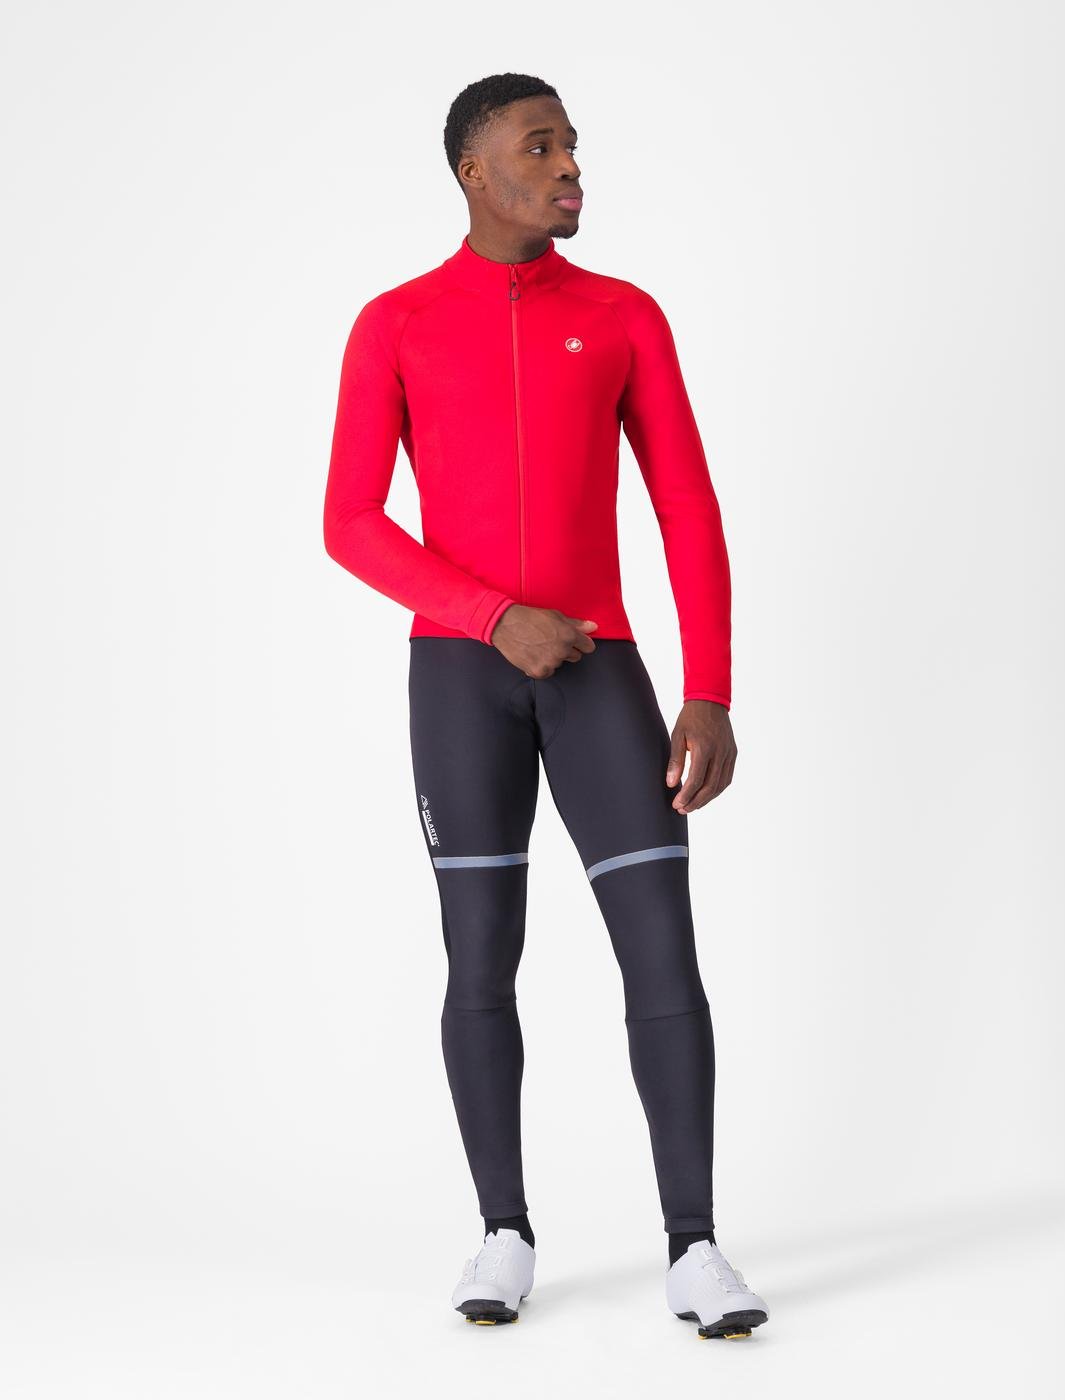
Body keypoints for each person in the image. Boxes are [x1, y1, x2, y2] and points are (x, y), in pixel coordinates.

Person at [322, 72, 769, 1340]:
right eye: (539, 146)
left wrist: (708, 688)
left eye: (571, 143)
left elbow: (685, 505)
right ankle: (503, 1229)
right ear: (473, 171)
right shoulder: (396, 323)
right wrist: (488, 615)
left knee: (661, 947)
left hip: (600, 670)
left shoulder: (622, 315)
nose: (569, 164)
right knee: (479, 952)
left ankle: (694, 1245)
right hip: (460, 679)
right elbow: (348, 519)